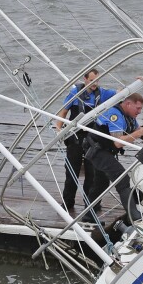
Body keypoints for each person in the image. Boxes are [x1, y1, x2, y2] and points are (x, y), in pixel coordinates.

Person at [84, 92, 143, 223]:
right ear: (128, 104)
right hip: (97, 150)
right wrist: (139, 133)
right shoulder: (115, 114)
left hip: (105, 151)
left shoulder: (129, 116)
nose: (139, 112)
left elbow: (139, 131)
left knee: (101, 183)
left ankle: (88, 215)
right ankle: (133, 214)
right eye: (137, 108)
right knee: (122, 179)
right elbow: (118, 142)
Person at [55, 69, 116, 216]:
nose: (94, 84)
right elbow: (63, 112)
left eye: (97, 81)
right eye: (91, 81)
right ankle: (68, 202)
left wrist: (140, 80)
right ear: (85, 79)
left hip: (93, 139)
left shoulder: (104, 93)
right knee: (71, 172)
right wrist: (58, 129)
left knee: (92, 174)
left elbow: (124, 93)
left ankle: (90, 204)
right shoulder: (75, 93)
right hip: (75, 138)